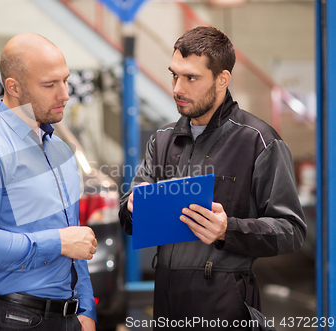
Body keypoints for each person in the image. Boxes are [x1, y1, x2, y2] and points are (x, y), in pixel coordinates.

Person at [119, 26, 306, 330]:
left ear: (222, 79)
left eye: (191, 78)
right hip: (167, 306)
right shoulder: (162, 140)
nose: (178, 88)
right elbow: (131, 216)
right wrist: (132, 207)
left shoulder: (258, 141)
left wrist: (227, 230)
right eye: (174, 75)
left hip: (225, 308)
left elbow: (292, 230)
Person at [0, 33, 97, 331]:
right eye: (50, 85)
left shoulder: (60, 151)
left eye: (65, 80)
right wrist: (57, 242)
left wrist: (86, 310)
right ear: (13, 86)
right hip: (7, 320)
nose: (64, 94)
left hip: (66, 319)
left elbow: (74, 244)